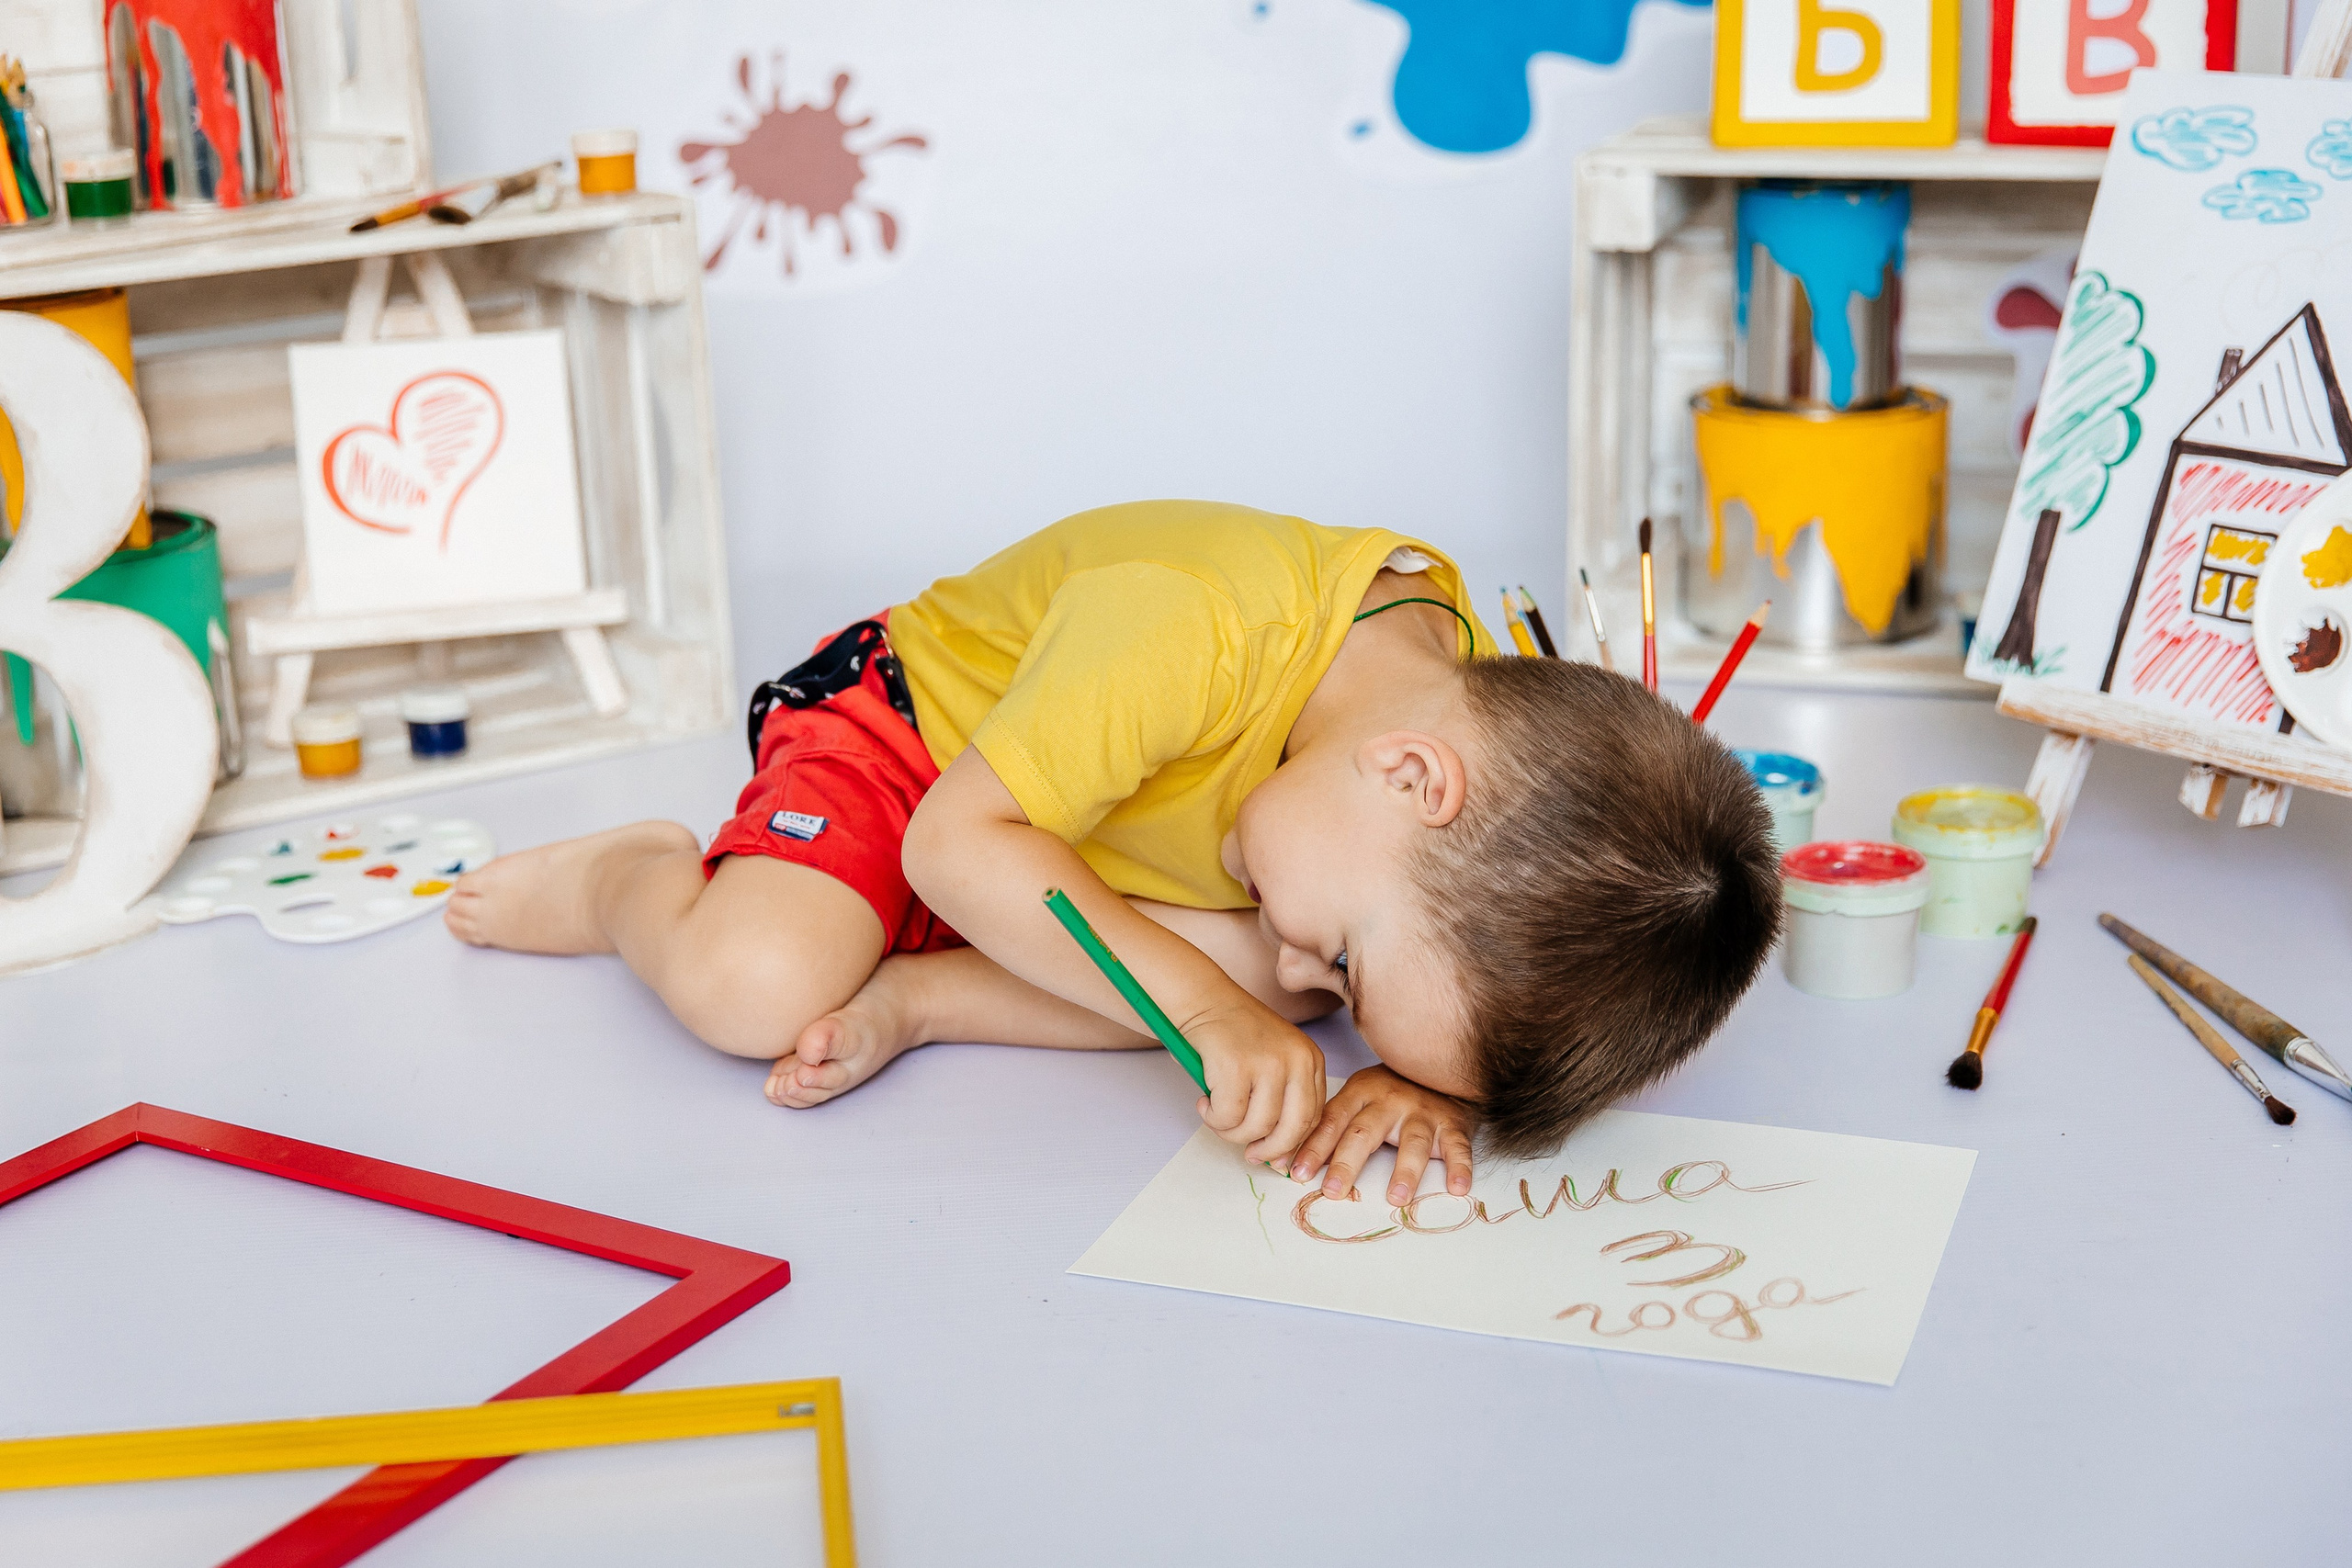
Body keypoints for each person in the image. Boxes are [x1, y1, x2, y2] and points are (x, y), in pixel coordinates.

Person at [447, 501, 1781, 1207]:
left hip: (1081, 844)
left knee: (1278, 995)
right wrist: (1207, 999)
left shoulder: (1452, 745)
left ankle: (922, 993)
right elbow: (951, 839)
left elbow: (1501, 944)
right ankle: (625, 875)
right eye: (1354, 961)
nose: (1316, 978)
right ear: (1414, 775)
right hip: (919, 749)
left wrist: (1439, 1080)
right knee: (754, 987)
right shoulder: (1187, 629)